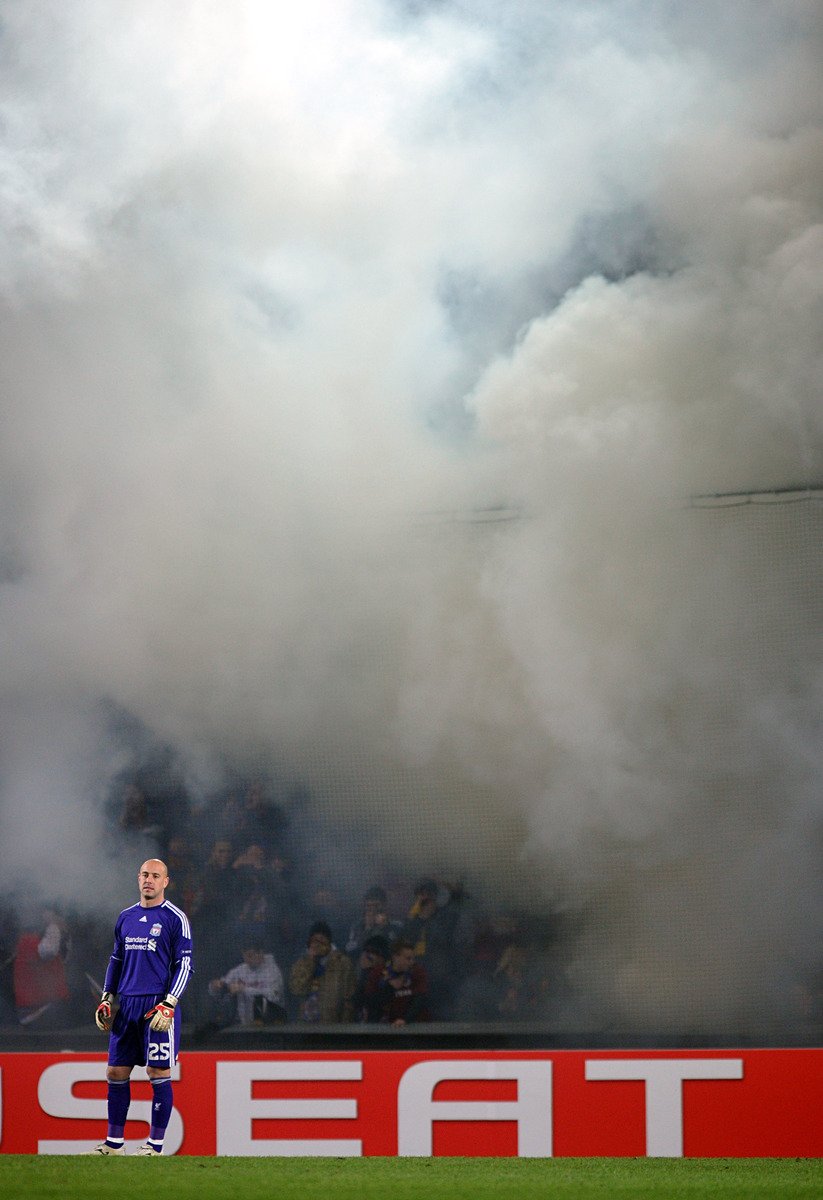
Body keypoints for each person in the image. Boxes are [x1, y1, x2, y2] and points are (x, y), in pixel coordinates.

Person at [88, 858, 193, 1157]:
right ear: (138, 878)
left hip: (157, 1006)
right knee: (116, 1071)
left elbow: (184, 965)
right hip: (127, 1004)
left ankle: (155, 1146)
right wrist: (107, 997)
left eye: (155, 875)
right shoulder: (125, 917)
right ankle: (113, 1144)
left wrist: (170, 1004)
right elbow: (116, 960)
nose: (149, 880)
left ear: (165, 882)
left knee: (157, 1071)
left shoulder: (175, 918)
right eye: (145, 875)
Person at [289, 920, 356, 1023]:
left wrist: (344, 1029)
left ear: (328, 942)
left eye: (321, 940)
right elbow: (297, 990)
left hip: (332, 1026)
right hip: (305, 1027)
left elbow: (349, 999)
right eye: (314, 941)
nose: (317, 945)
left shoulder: (342, 963)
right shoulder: (302, 962)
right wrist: (310, 962)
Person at [208, 941, 286, 1025]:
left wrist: (244, 989)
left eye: (250, 955)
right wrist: (214, 986)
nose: (246, 959)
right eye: (244, 955)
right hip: (244, 1024)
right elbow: (222, 987)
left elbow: (274, 996)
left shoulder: (273, 971)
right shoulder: (240, 970)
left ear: (261, 953)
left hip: (269, 1024)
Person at [361, 938, 431, 1025]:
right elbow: (370, 1002)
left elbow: (419, 1000)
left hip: (414, 1026)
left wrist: (405, 1020)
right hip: (385, 1027)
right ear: (395, 957)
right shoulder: (378, 973)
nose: (411, 962)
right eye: (408, 959)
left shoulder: (417, 972)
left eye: (413, 958)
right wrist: (390, 988)